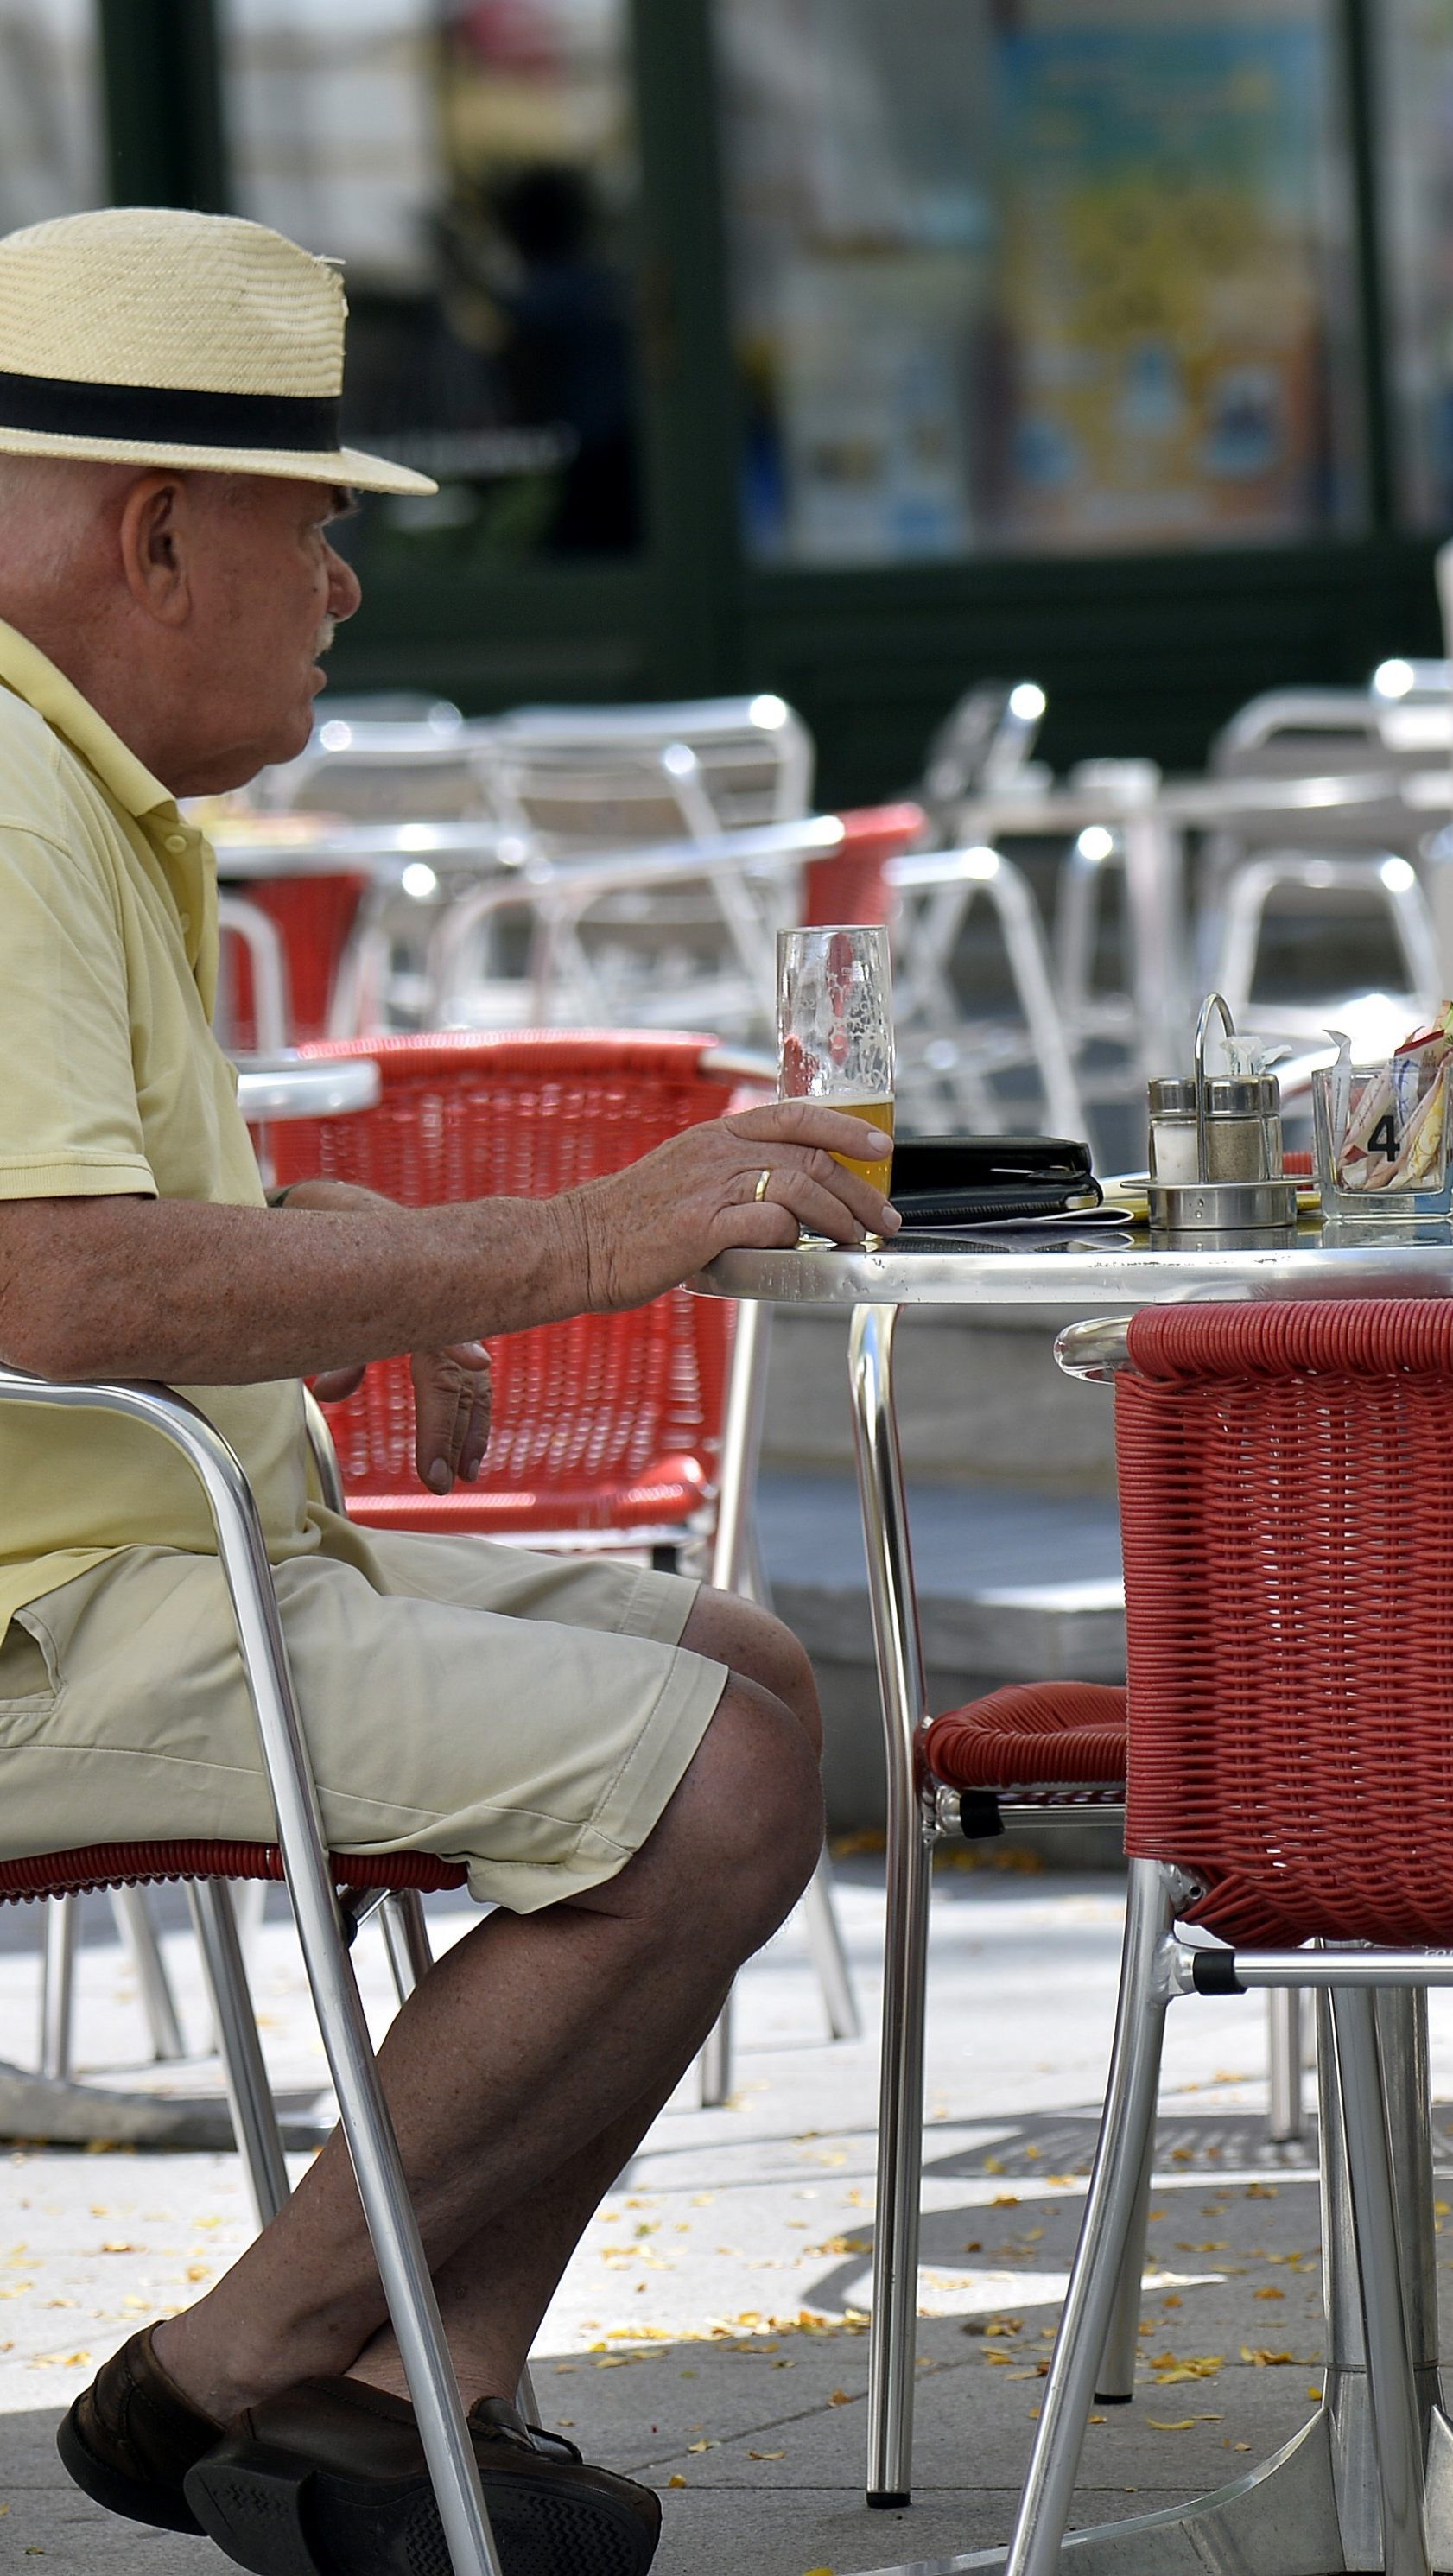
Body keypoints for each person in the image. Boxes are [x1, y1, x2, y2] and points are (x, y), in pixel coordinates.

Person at [0, 207, 898, 2576]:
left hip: (121, 1556)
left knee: (747, 1669)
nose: (347, 590)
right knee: (709, 1786)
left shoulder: (64, 783)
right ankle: (239, 2366)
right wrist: (600, 1232)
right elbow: (56, 1292)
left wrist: (361, 1268)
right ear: (155, 531)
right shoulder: (1, 791)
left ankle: (400, 2403)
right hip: (50, 1595)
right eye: (315, 528)